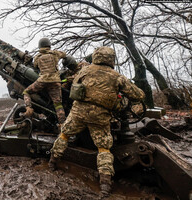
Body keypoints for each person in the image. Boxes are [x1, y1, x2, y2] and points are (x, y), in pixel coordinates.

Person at [48, 46, 145, 198]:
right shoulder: (117, 76)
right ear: (111, 59)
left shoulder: (84, 71)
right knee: (103, 148)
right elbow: (138, 95)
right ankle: (105, 185)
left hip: (78, 112)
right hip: (99, 117)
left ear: (96, 56)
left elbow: (73, 85)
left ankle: (52, 162)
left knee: (64, 135)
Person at [22, 38, 67, 126]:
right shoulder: (55, 54)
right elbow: (64, 54)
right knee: (58, 104)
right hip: (55, 81)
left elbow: (35, 66)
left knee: (26, 92)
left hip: (42, 81)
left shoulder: (37, 57)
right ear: (49, 45)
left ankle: (28, 109)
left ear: (40, 46)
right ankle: (62, 125)